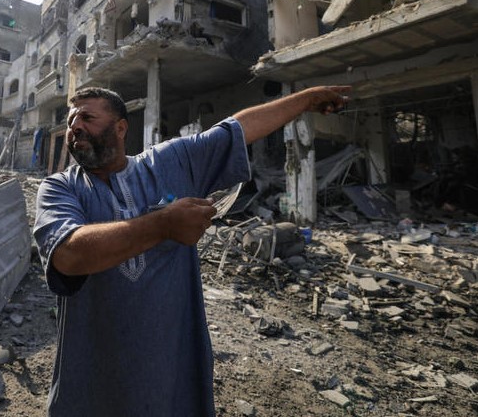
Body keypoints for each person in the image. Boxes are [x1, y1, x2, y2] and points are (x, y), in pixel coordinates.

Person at [33, 85, 350, 416]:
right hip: (93, 378)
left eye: (86, 117)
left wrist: (306, 99)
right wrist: (161, 225)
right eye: (70, 121)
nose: (74, 127)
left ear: (121, 128)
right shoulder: (59, 188)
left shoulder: (169, 163)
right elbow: (68, 255)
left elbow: (236, 130)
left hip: (169, 372)